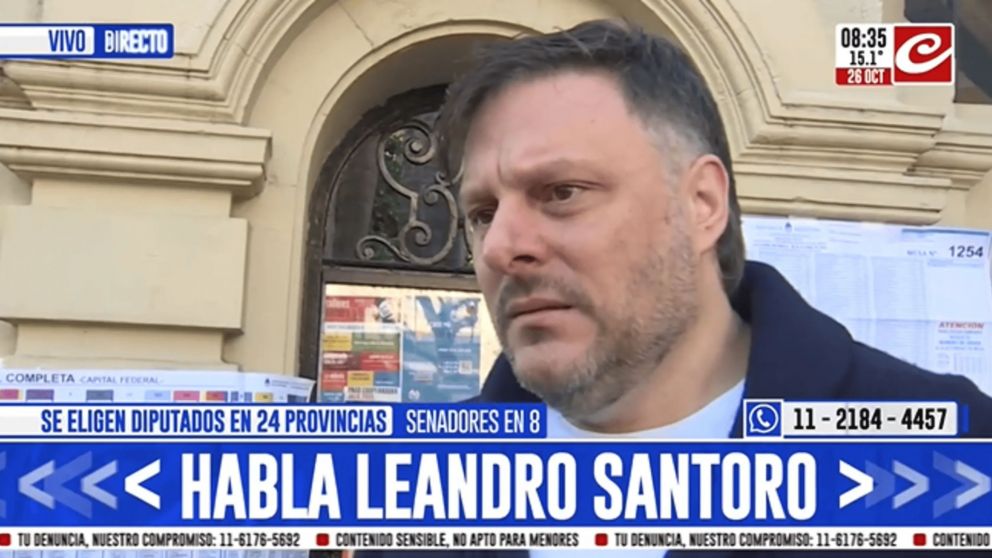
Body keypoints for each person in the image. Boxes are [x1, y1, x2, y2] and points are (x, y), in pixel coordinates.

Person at [356, 19, 992, 558]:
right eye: (483, 214)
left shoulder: (951, 458)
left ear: (702, 204)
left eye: (562, 193)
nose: (500, 248)